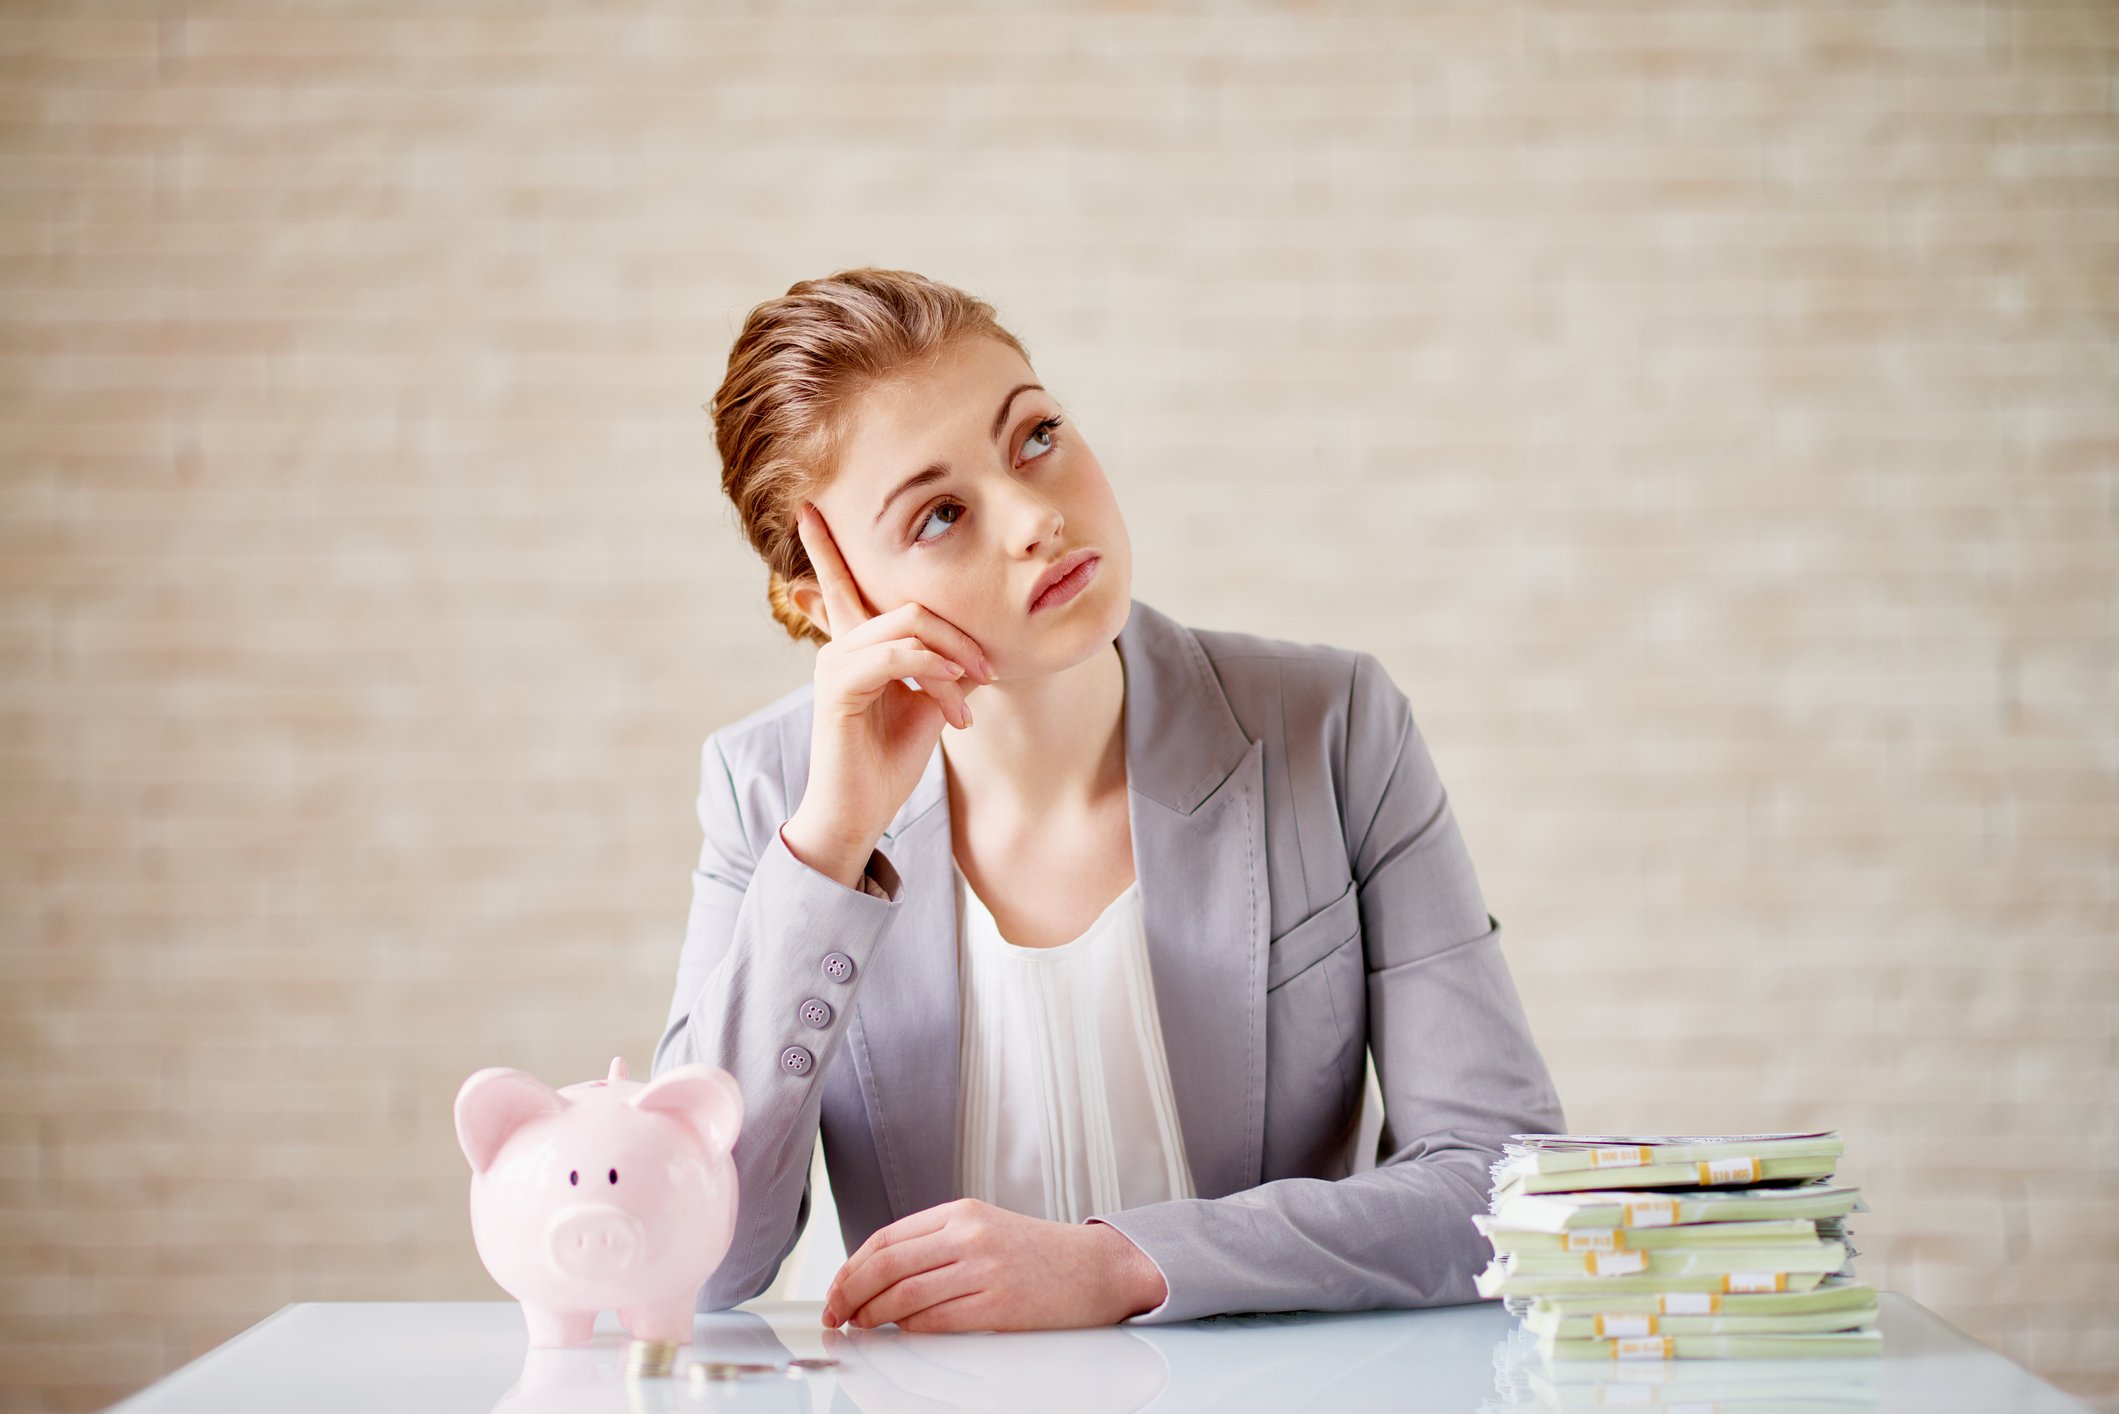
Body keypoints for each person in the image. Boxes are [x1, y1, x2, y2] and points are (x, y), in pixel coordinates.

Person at [652, 267, 1566, 1334]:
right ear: (828, 595)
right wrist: (831, 842)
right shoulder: (768, 790)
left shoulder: (1333, 726)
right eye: (940, 513)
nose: (1036, 516)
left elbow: (1504, 1190)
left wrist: (1124, 1265)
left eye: (1034, 436)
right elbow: (701, 1261)